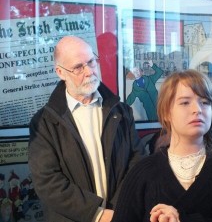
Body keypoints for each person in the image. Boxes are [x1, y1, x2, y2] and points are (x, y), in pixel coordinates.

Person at [111, 70, 212, 222]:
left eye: (205, 102)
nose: (197, 110)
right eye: (185, 102)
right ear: (167, 112)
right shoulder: (141, 173)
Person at [28, 36, 147, 222]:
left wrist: (117, 210)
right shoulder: (44, 122)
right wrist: (97, 214)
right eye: (78, 67)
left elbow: (137, 163)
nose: (89, 71)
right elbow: (47, 181)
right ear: (60, 72)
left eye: (91, 62)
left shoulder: (122, 112)